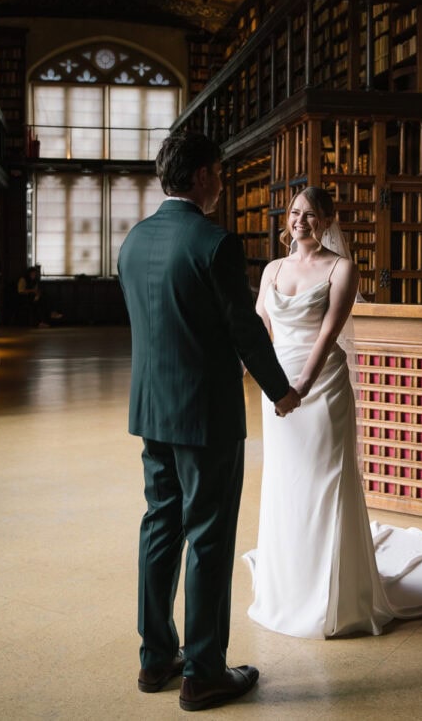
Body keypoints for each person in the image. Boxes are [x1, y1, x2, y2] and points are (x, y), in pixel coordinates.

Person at [244, 186, 422, 639]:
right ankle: (289, 586)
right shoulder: (273, 268)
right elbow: (263, 326)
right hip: (278, 388)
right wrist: (273, 383)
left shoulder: (342, 269)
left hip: (320, 388)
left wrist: (301, 387)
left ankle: (334, 595)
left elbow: (329, 332)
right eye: (295, 213)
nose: (301, 221)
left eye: (311, 214)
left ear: (328, 219)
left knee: (326, 483)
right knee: (285, 480)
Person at [117, 131, 300, 712]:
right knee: (210, 538)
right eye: (218, 173)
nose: (220, 182)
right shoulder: (215, 243)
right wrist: (281, 391)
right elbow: (243, 330)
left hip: (152, 408)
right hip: (207, 417)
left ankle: (155, 659)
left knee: (160, 527)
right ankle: (202, 672)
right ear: (199, 176)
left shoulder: (134, 240)